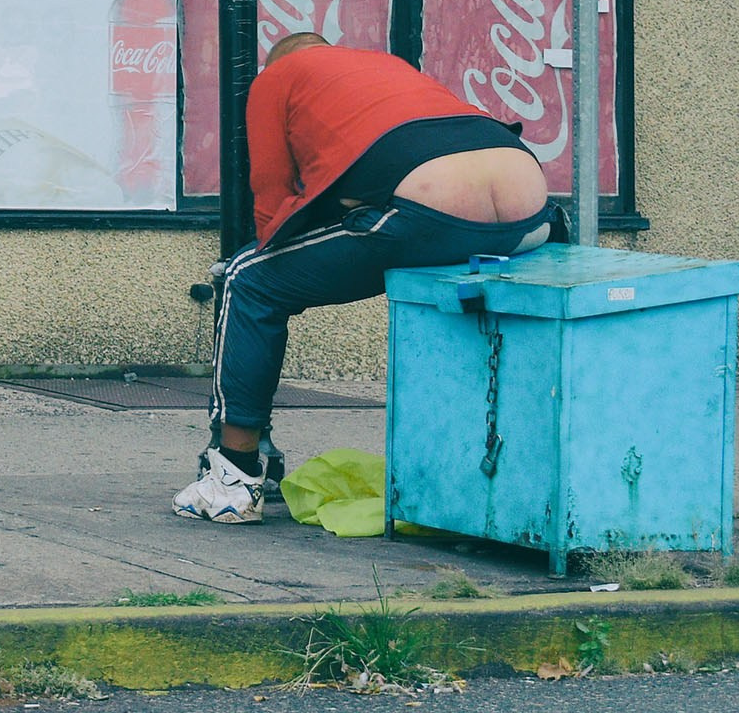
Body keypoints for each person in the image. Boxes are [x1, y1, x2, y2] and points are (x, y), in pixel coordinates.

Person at [171, 32, 561, 525]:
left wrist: (284, 244)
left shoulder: (276, 78)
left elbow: (271, 200)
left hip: (427, 213)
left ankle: (233, 478)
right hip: (530, 214)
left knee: (248, 279)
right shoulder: (382, 64)